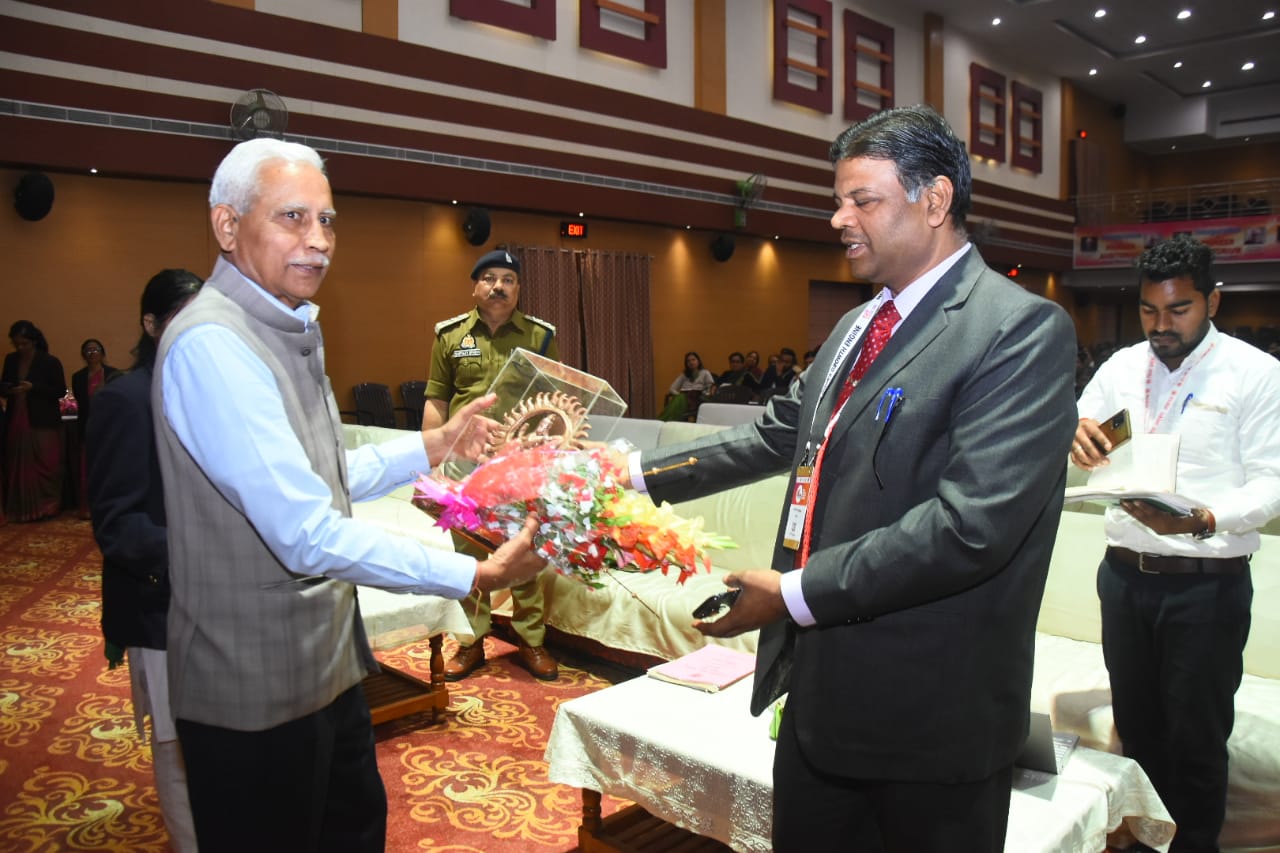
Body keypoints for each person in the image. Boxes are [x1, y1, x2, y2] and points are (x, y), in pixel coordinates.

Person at [621, 104, 1077, 850]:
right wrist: (629, 475)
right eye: (838, 200)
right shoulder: (859, 323)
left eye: (862, 199)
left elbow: (970, 527)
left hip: (930, 718)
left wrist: (793, 594)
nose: (839, 219)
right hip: (823, 698)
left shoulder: (1016, 329)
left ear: (934, 200)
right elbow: (776, 435)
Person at [152, 138, 547, 852]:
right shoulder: (214, 343)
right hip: (254, 690)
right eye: (293, 217)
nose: (319, 239)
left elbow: (327, 472)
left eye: (327, 220)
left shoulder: (287, 323)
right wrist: (475, 572)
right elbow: (305, 530)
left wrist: (437, 444)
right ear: (227, 226)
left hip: (327, 669)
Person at [1072, 235, 1280, 853]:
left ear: (1212, 301)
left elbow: (1273, 479)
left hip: (1205, 586)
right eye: (1148, 310)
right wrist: (1076, 437)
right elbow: (1083, 429)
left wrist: (1203, 520)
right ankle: (1142, 841)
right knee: (1137, 731)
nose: (1161, 325)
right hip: (1124, 576)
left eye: (1178, 310)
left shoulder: (1255, 373)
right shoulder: (1119, 368)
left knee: (1195, 741)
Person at [87, 268, 204, 853]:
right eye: (181, 318)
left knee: (222, 745)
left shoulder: (212, 392)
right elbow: (117, 525)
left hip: (224, 605)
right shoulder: (126, 399)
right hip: (162, 606)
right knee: (177, 748)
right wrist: (202, 552)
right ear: (151, 325)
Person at [424, 248, 562, 682]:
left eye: (508, 279)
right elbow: (437, 399)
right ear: (475, 287)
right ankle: (470, 642)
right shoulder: (450, 336)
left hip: (520, 464)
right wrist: (432, 457)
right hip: (465, 464)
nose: (498, 286)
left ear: (519, 289)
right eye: (489, 278)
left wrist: (553, 453)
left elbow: (557, 399)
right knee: (468, 552)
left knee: (524, 548)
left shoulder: (540, 336)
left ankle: (531, 640)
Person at [1, 320, 67, 522]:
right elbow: (4, 385)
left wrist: (33, 388)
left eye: (24, 344)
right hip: (17, 418)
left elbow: (59, 390)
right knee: (17, 464)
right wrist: (9, 389)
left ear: (34, 341)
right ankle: (22, 509)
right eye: (17, 344)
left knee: (47, 464)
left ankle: (47, 507)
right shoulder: (11, 359)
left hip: (42, 420)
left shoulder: (49, 361)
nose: (20, 348)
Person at [71, 338, 120, 517]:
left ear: (102, 353)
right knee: (88, 465)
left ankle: (111, 504)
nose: (92, 353)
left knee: (109, 464)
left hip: (109, 425)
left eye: (96, 350)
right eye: (88, 351)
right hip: (87, 425)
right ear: (83, 355)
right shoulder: (78, 377)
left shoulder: (113, 374)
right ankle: (88, 507)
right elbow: (81, 402)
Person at [658, 350, 715, 421]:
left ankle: (663, 421)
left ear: (698, 361)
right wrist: (678, 395)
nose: (691, 362)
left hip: (696, 397)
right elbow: (672, 388)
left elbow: (711, 386)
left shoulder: (705, 372)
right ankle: (665, 421)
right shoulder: (684, 375)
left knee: (676, 403)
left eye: (693, 359)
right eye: (688, 361)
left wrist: (705, 394)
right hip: (683, 396)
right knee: (679, 399)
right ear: (686, 364)